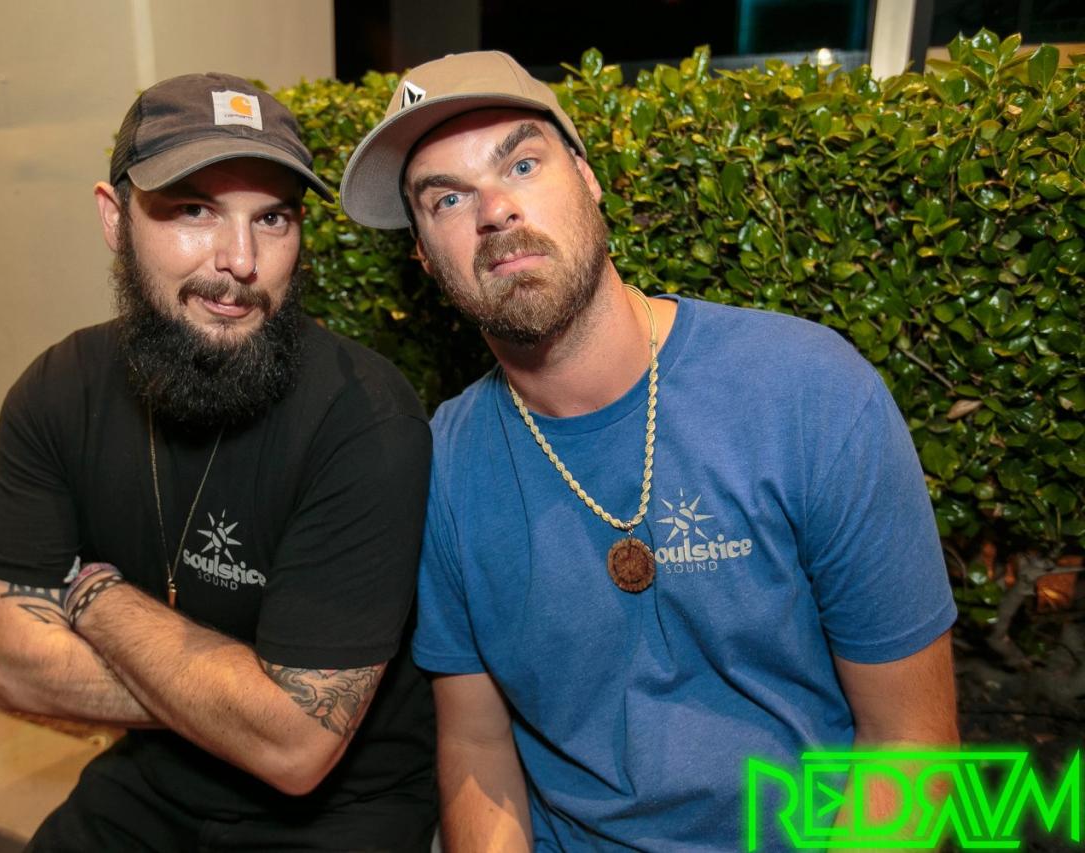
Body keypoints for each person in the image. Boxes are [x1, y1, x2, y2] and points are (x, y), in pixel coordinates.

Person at [340, 51, 959, 851]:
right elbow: (478, 750)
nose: (494, 209)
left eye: (521, 164)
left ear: (588, 178)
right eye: (447, 198)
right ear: (425, 256)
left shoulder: (807, 393)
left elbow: (910, 743)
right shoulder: (445, 467)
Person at [0, 72, 437, 851]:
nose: (239, 261)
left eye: (273, 218)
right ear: (115, 218)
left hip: (342, 810)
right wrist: (242, 706)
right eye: (194, 210)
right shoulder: (57, 391)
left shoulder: (365, 419)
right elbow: (12, 661)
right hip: (153, 779)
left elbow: (297, 746)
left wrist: (96, 597)